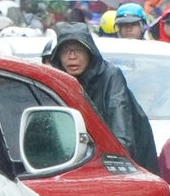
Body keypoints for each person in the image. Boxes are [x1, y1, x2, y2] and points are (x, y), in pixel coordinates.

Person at [47, 20, 160, 171]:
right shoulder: (55, 79)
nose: (72, 57)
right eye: (65, 51)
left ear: (89, 52)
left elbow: (120, 126)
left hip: (123, 162)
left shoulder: (110, 76)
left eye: (78, 50)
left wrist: (115, 165)